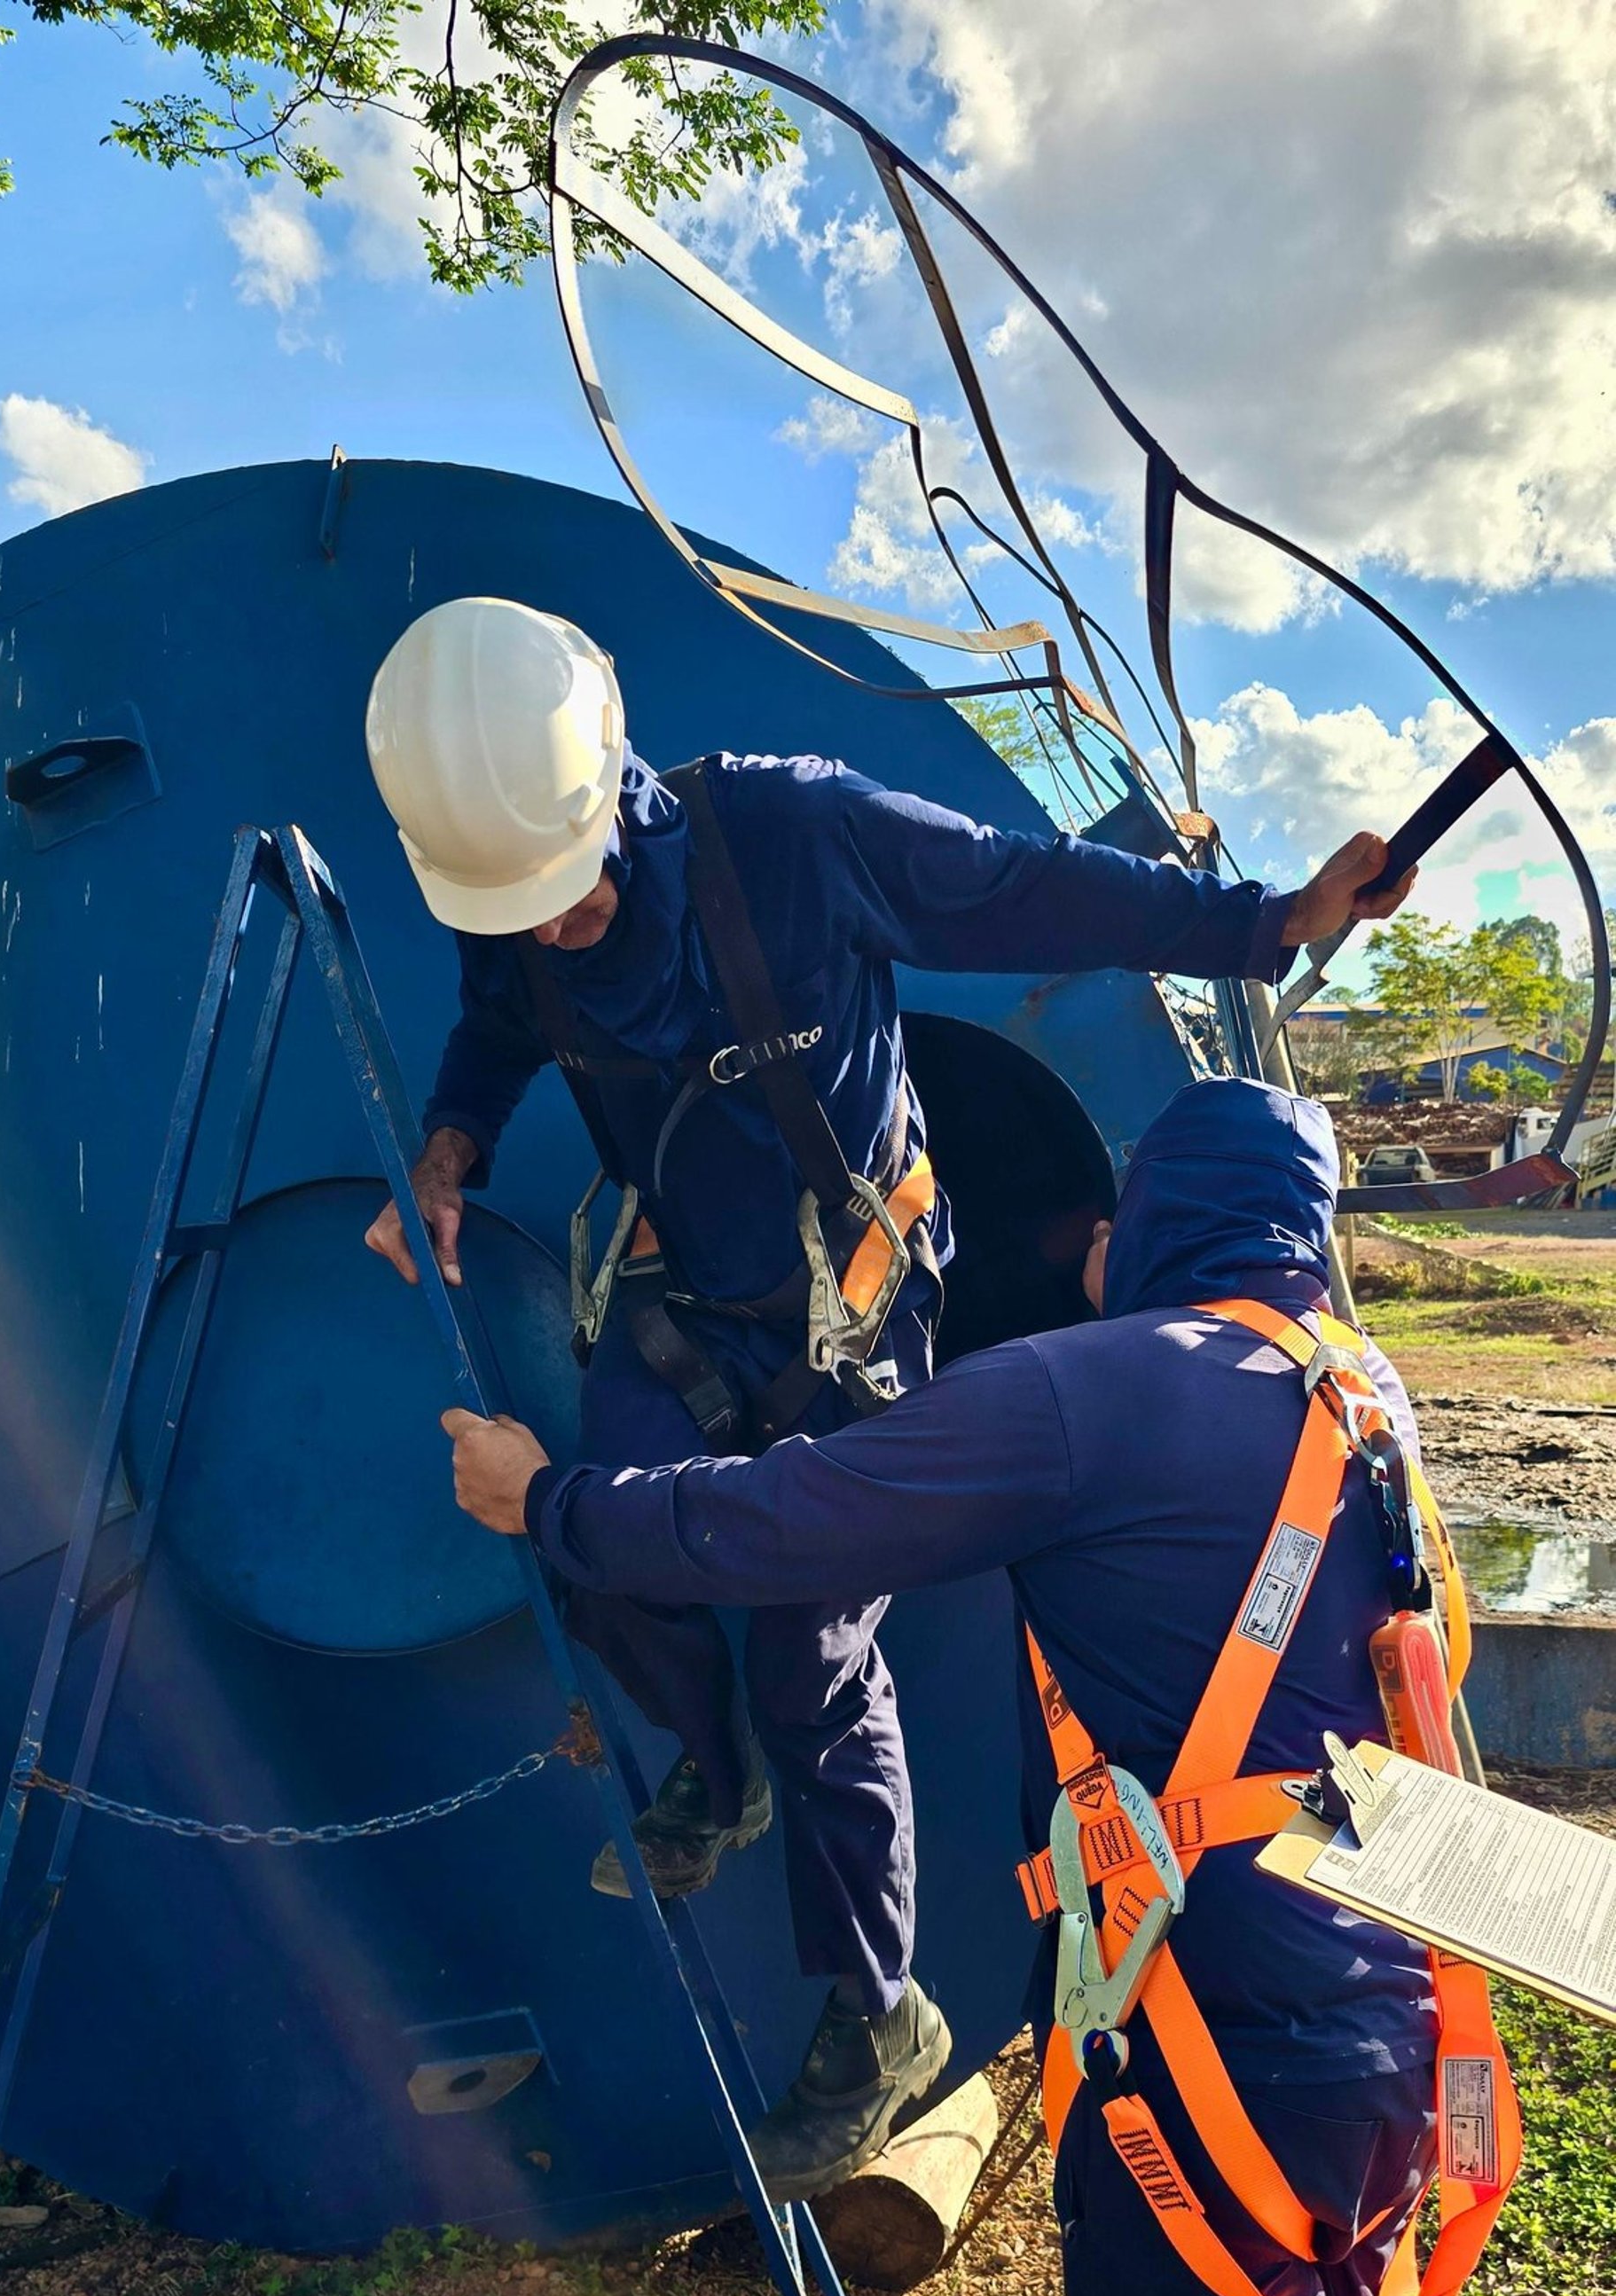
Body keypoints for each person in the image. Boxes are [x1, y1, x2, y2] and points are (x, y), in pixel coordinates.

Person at [440, 1077, 1501, 2296]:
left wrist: (551, 1500)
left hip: (1213, 2070)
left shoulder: (1098, 1391)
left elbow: (789, 1518)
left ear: (1151, 1222)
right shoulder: (1366, 1401)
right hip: (1386, 2043)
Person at [365, 590, 1411, 2202]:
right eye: (522, 910)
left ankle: (880, 2015)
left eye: (572, 891)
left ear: (613, 780)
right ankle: (716, 1769)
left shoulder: (794, 836)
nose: (556, 928)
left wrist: (1264, 920)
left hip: (851, 1317)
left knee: (812, 1655)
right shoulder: (505, 899)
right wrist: (448, 1154)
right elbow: (494, 1031)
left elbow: (1029, 890)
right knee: (600, 1553)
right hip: (683, 1305)